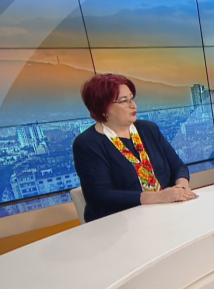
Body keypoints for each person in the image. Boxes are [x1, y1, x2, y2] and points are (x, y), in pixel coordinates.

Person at [72, 74, 196, 222]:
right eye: (124, 101)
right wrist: (158, 197)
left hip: (166, 211)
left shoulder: (148, 129)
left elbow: (178, 166)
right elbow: (101, 194)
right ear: (103, 108)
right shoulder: (87, 143)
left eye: (132, 98)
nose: (133, 105)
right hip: (119, 223)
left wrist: (181, 188)